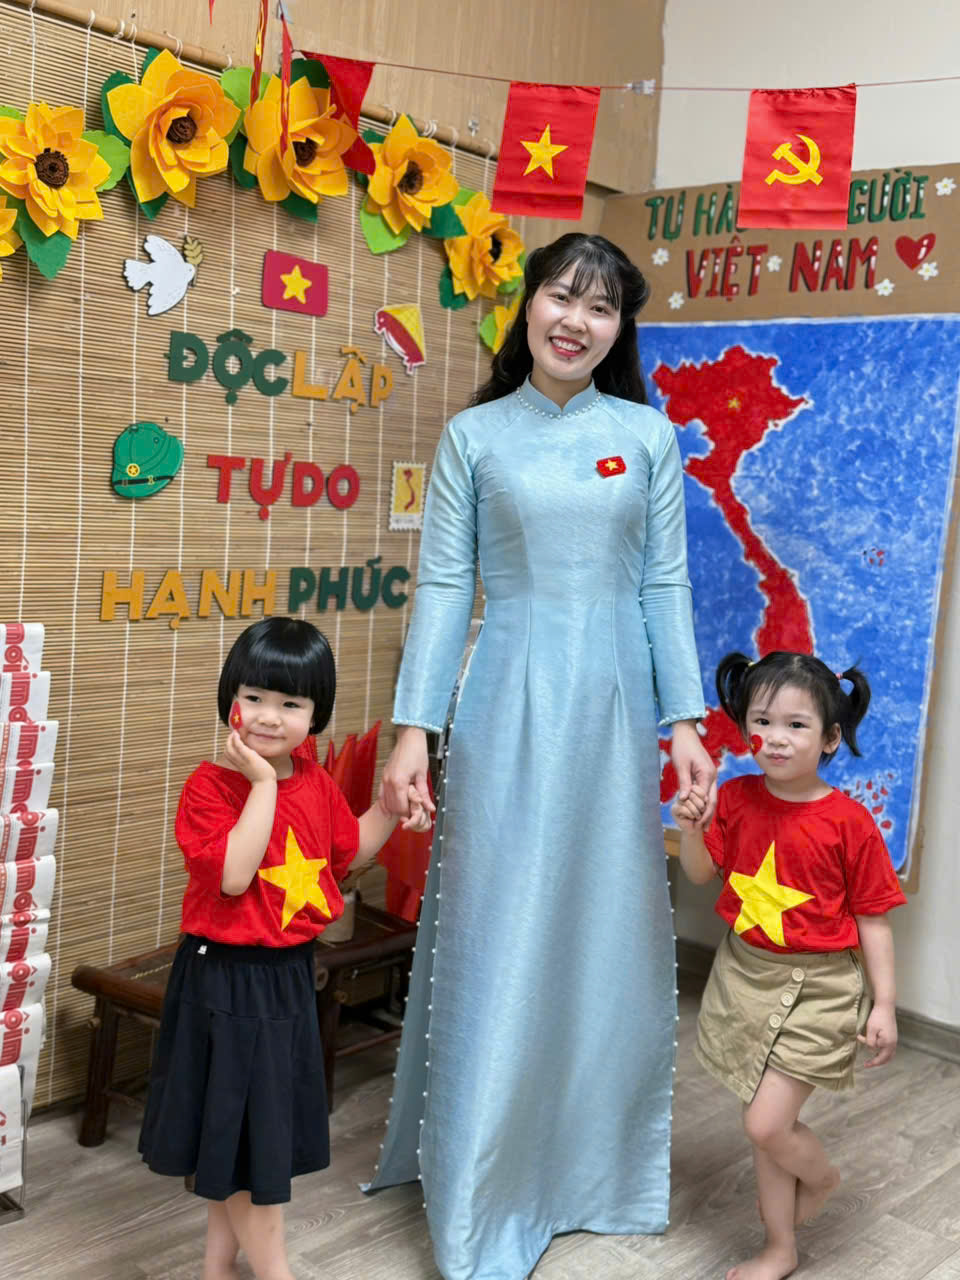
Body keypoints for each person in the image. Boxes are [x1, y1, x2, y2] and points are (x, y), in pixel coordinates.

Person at [367, 233, 717, 1279]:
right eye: (563, 296)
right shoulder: (474, 437)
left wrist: (685, 721)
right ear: (527, 306)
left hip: (614, 706)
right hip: (506, 698)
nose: (577, 320)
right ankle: (484, 1186)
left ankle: (590, 1170)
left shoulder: (646, 435)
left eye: (601, 308)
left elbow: (664, 583)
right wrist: (415, 729)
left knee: (602, 928)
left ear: (619, 329)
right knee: (498, 926)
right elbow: (443, 587)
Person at [138, 616, 431, 1280]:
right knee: (250, 1153)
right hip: (224, 980)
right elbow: (234, 875)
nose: (269, 716)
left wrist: (391, 805)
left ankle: (217, 1270)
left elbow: (347, 850)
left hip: (286, 976)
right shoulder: (209, 788)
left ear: (315, 714)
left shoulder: (315, 783)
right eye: (255, 697)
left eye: (291, 703)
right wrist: (264, 785)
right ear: (230, 701)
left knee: (243, 1141)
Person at [672, 650, 907, 1280]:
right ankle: (780, 1248)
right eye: (763, 721)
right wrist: (692, 828)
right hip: (745, 978)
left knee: (765, 1123)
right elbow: (701, 873)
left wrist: (884, 1004)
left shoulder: (850, 823)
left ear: (830, 738)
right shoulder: (736, 798)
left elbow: (874, 919)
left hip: (822, 991)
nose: (775, 737)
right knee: (769, 1127)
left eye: (796, 725)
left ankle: (822, 1179)